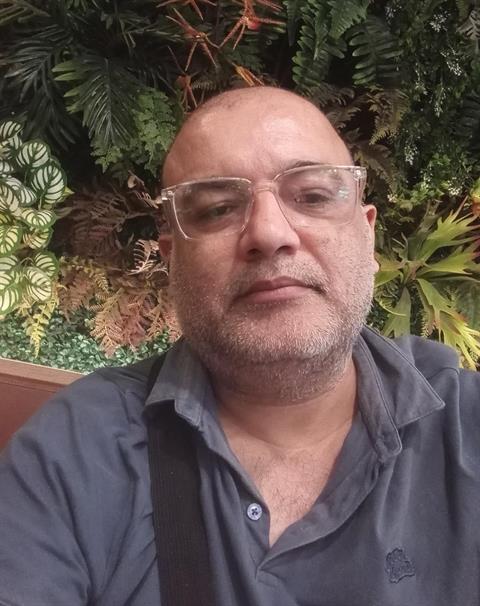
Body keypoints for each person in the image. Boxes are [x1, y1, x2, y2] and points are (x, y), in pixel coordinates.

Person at [0, 86, 479, 606]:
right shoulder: (77, 452)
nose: (269, 233)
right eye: (217, 209)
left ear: (367, 238)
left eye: (312, 196)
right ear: (172, 261)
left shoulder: (466, 429)